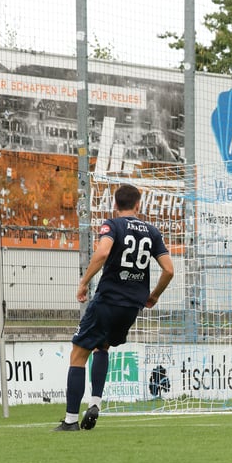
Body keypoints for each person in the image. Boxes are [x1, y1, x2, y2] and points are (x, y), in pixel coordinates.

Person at [54, 184, 174, 431]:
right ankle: (95, 402)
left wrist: (84, 282)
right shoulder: (152, 231)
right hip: (131, 307)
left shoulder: (112, 225)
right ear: (138, 205)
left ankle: (69, 421)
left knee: (78, 354)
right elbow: (169, 270)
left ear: (115, 205)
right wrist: (154, 295)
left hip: (108, 299)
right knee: (102, 346)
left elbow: (102, 253)